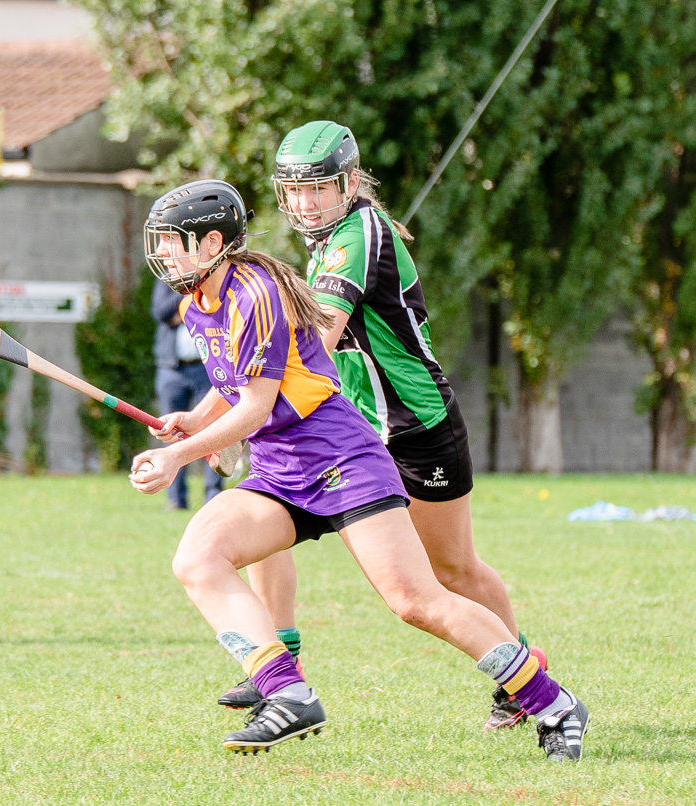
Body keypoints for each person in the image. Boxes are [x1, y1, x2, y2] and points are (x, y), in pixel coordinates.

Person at [129, 178, 589, 761]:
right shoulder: (199, 302)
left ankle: (553, 702)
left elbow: (258, 405)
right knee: (198, 558)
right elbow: (235, 386)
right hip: (279, 470)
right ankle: (287, 693)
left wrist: (178, 456)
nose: (163, 252)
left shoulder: (255, 294)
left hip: (342, 460)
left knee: (418, 602)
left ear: (212, 241)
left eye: (171, 241)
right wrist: (195, 422)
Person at [218, 120, 554, 734]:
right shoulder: (325, 244)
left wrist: (240, 417)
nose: (304, 203)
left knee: (451, 571)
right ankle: (279, 662)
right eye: (293, 192)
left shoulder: (359, 235)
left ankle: (522, 672)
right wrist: (220, 416)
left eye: (317, 189)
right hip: (358, 434)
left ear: (348, 183)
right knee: (266, 509)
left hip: (418, 428)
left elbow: (311, 341)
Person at [151, 279, 223, 510]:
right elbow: (161, 312)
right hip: (172, 369)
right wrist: (189, 295)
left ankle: (212, 495)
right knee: (169, 431)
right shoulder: (167, 280)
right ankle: (176, 499)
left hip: (206, 369)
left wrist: (181, 314)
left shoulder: (213, 281)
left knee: (213, 430)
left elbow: (217, 315)